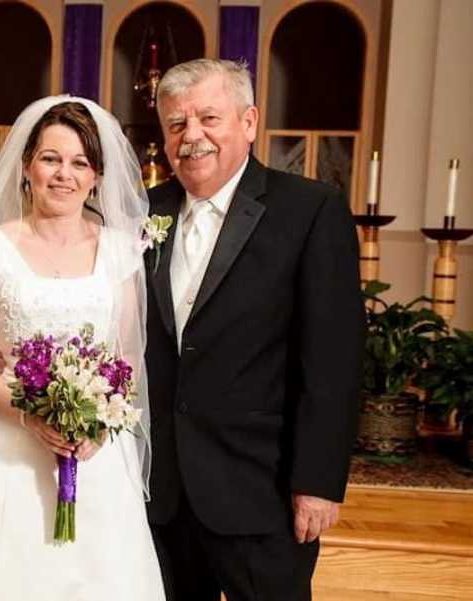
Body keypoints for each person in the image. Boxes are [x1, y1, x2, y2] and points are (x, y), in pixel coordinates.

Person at [0, 97, 165, 600]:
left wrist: (97, 424)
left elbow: (126, 357)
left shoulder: (119, 250)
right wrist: (27, 413)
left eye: (79, 162)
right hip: (3, 450)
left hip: (95, 455)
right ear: (27, 165)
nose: (63, 174)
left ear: (96, 176)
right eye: (51, 159)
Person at [145, 58, 365, 601]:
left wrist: (316, 482)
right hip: (162, 495)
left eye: (208, 119)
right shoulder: (143, 214)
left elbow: (333, 362)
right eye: (176, 124)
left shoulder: (311, 210)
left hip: (262, 491)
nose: (191, 136)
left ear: (249, 122)